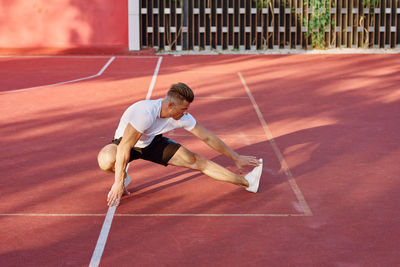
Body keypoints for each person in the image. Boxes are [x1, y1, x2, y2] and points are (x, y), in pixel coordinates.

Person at [97, 82, 263, 207]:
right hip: (126, 142)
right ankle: (124, 177)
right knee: (106, 159)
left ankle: (246, 182)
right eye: (183, 109)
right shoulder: (145, 113)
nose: (186, 112)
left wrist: (236, 157)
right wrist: (118, 182)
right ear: (170, 105)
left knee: (196, 161)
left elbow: (208, 138)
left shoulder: (182, 117)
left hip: (152, 142)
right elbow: (125, 146)